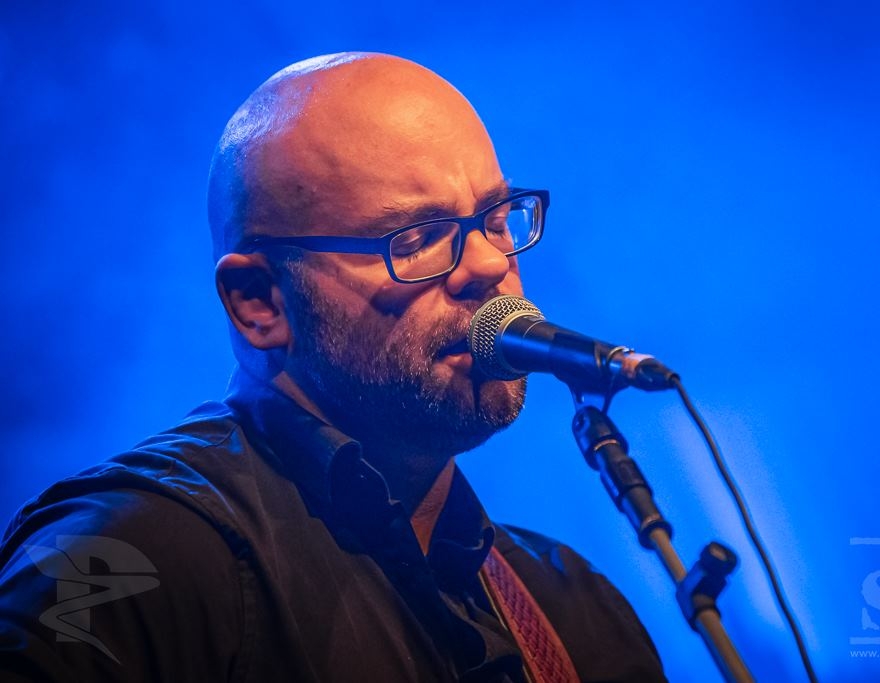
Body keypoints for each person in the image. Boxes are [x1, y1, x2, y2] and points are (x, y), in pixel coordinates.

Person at [0, 53, 666, 682]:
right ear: (260, 301)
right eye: (417, 238)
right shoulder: (132, 555)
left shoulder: (575, 611)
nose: (492, 264)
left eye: (495, 219)